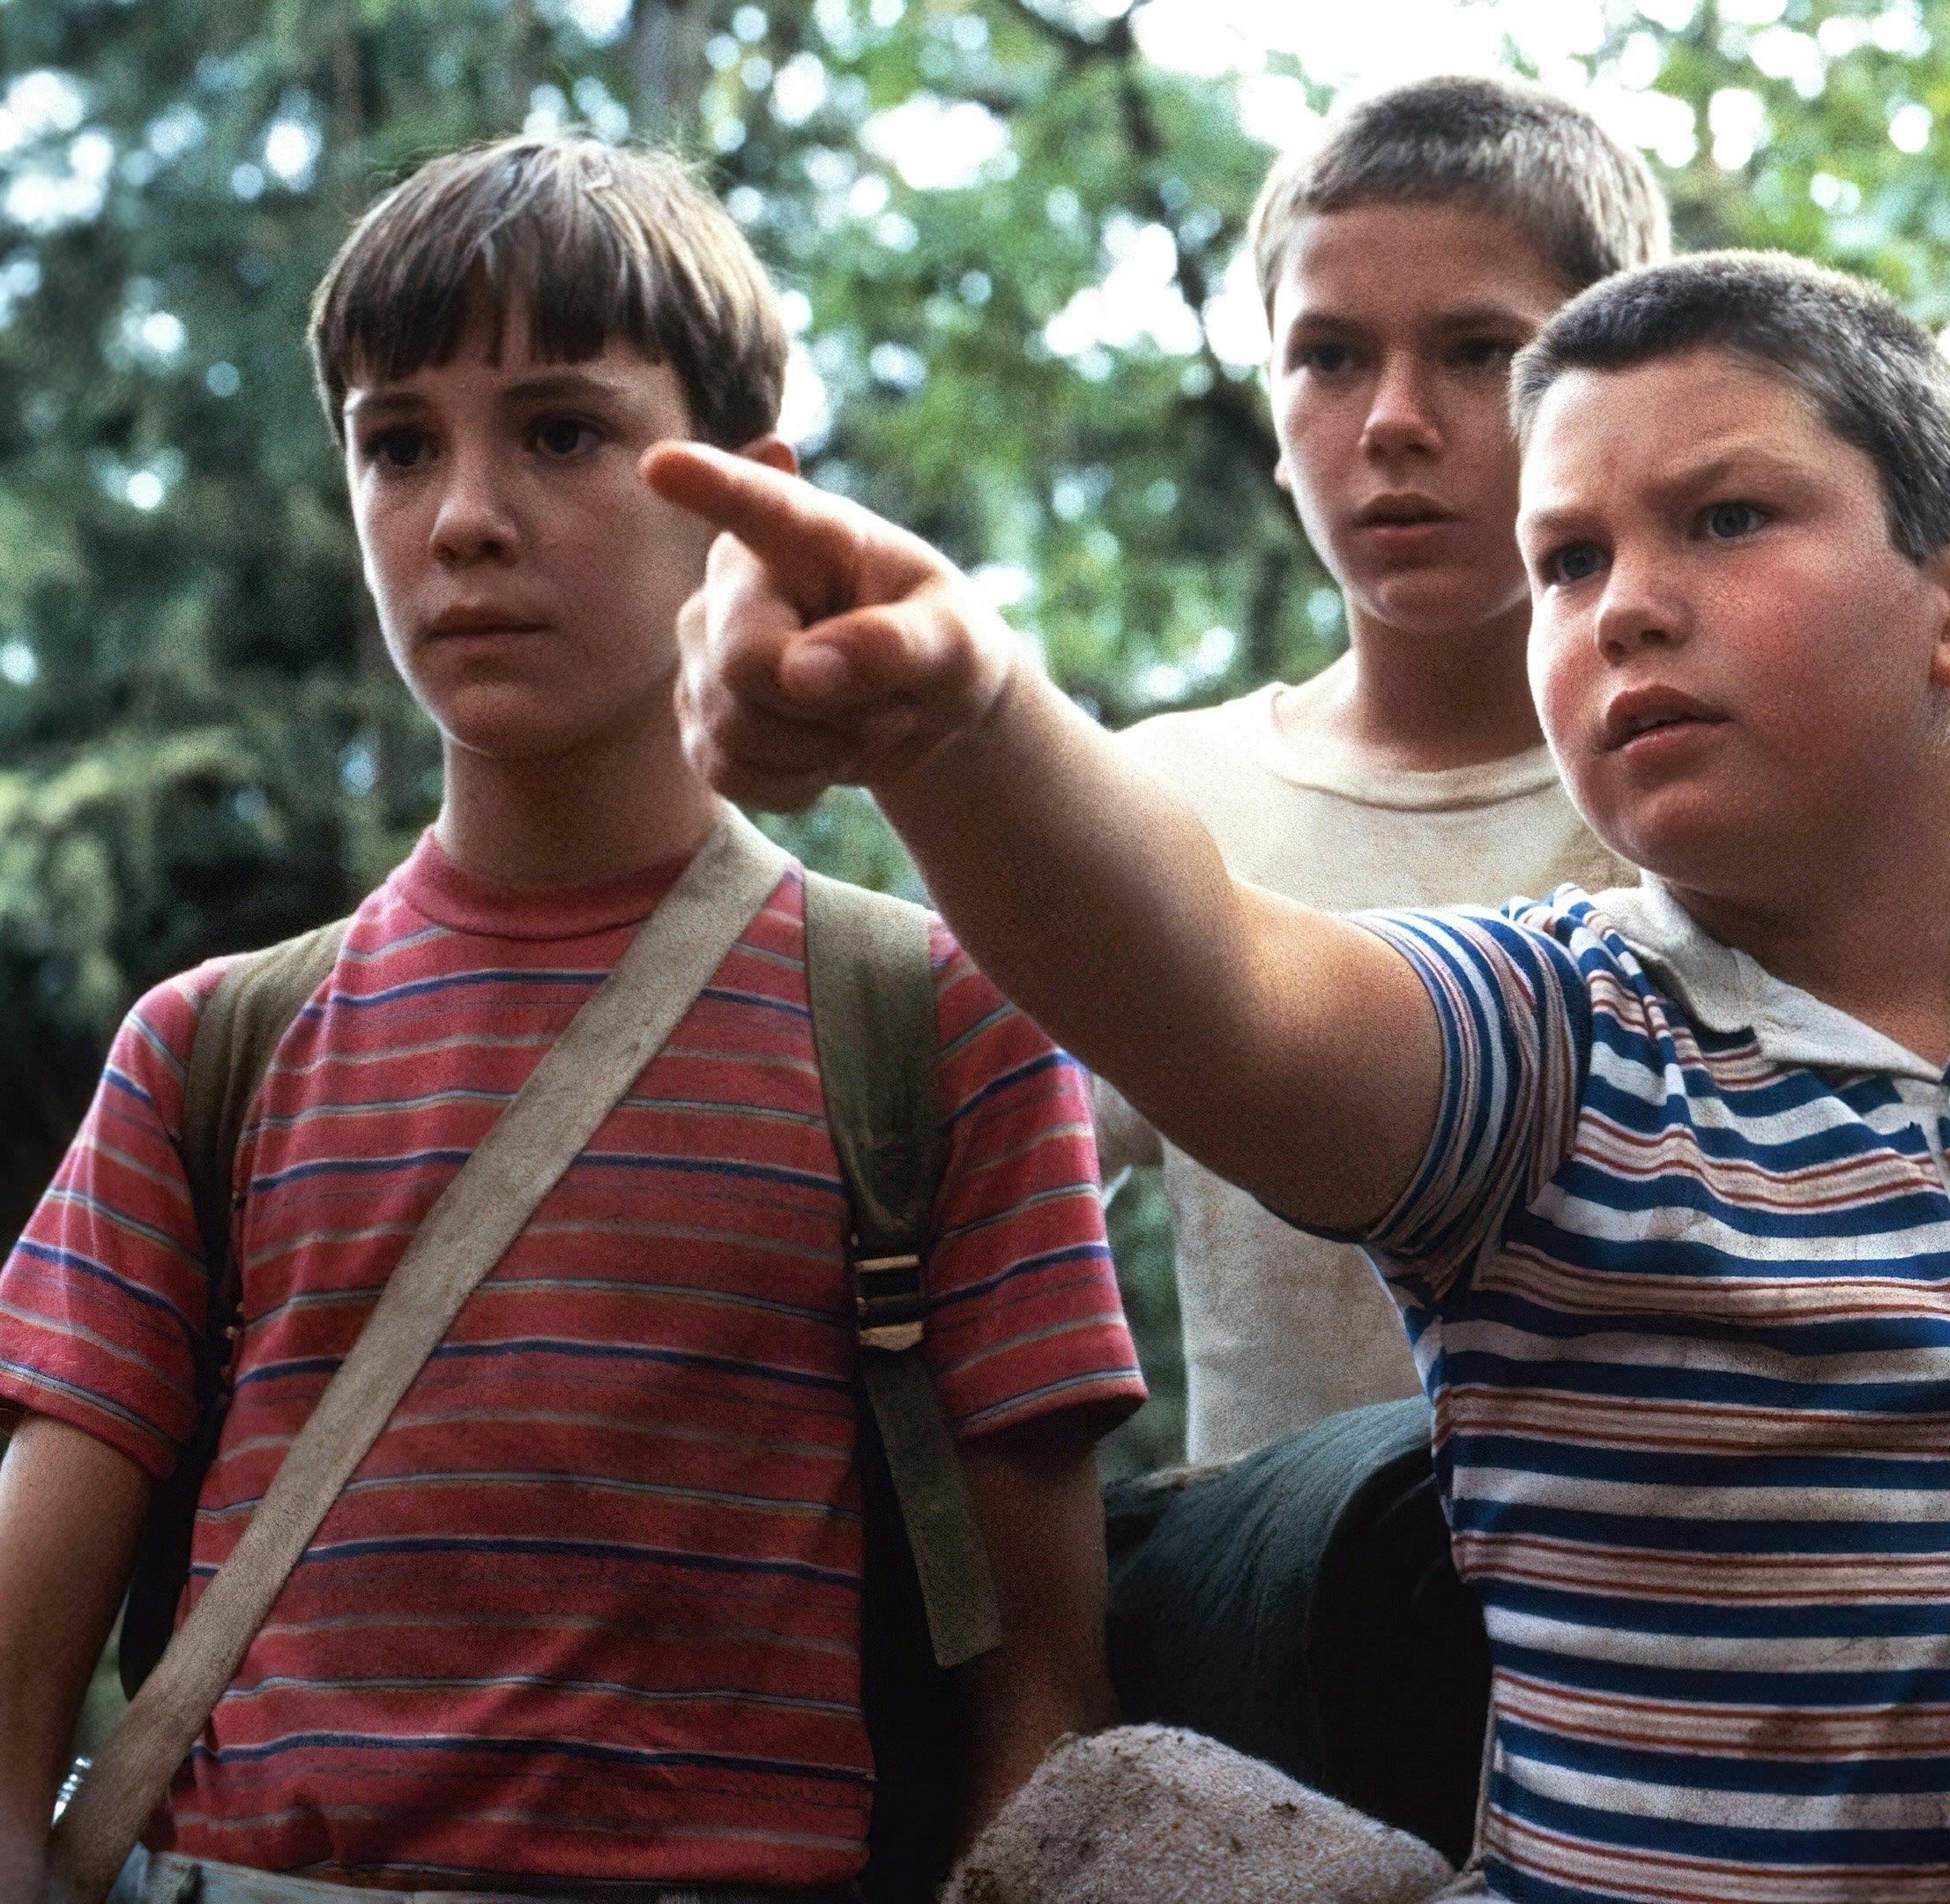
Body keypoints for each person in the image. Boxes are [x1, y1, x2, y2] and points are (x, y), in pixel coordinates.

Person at [653, 249, 1950, 1902]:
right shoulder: (1544, 1049)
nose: (1622, 603)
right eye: (1566, 561)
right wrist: (959, 714)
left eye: (1724, 520)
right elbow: (1218, 987)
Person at [0, 136, 1143, 1904]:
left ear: (751, 499)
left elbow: (1040, 1721)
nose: (462, 515)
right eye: (399, 444)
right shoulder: (207, 1050)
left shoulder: (932, 1028)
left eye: (559, 432)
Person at [1099, 74, 1657, 1465]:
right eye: (1330, 356)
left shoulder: (1728, 790)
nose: (1393, 419)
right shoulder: (1156, 805)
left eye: (1478, 351)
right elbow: (970, 1235)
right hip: (1279, 1657)